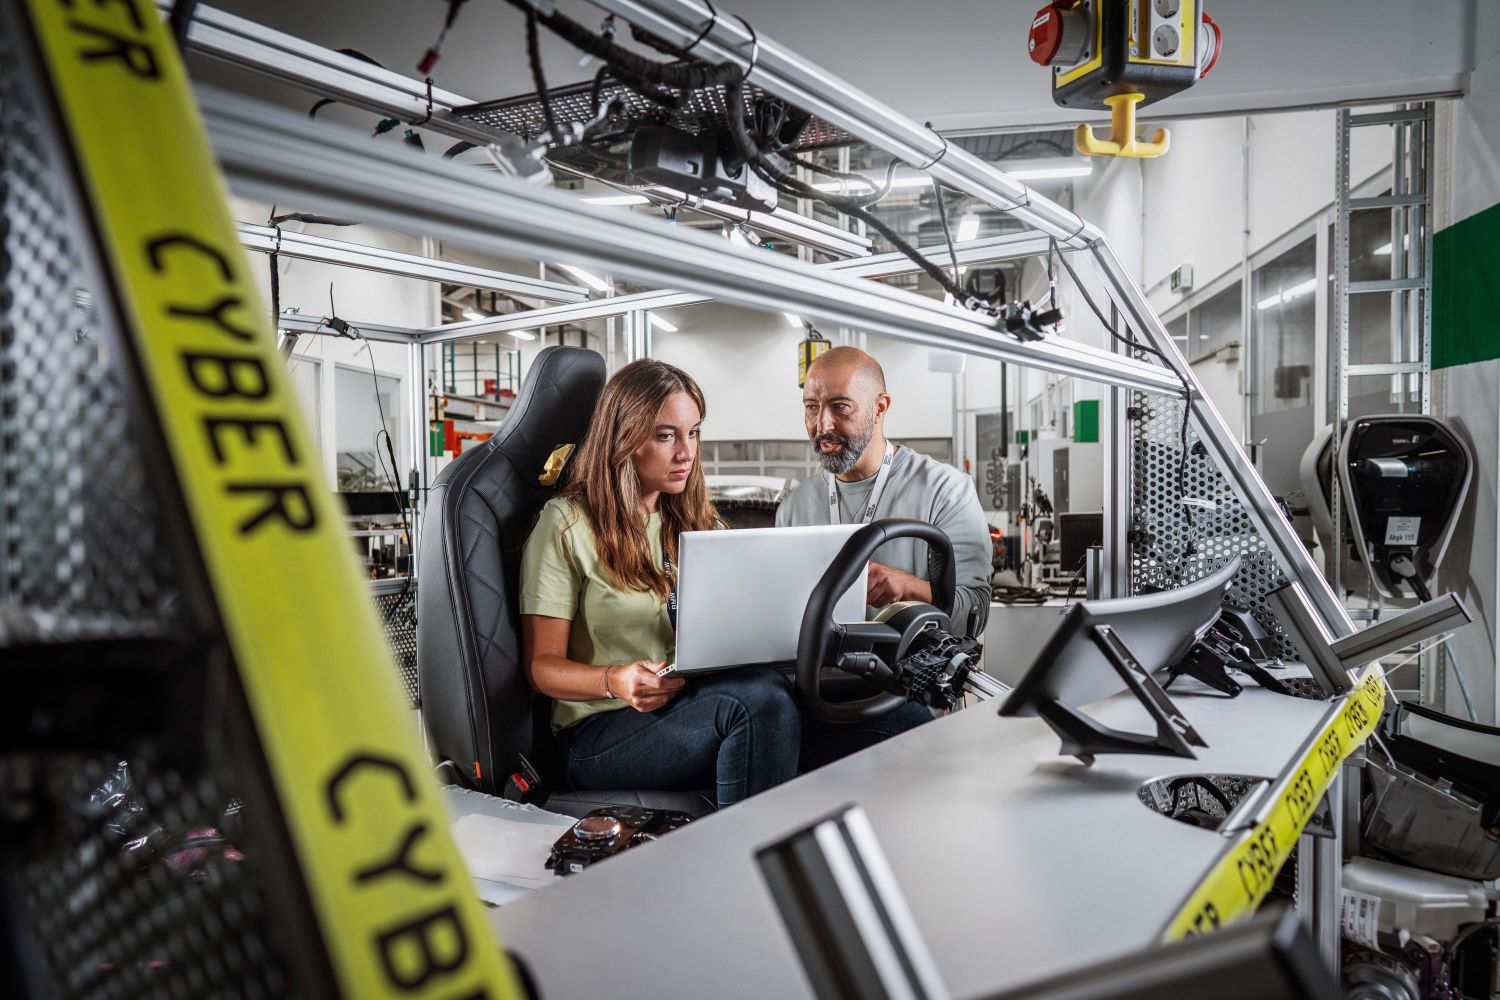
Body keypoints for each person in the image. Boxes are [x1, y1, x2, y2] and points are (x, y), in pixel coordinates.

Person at [521, 359, 935, 810]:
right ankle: (743, 869)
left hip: (700, 704)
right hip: (603, 730)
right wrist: (615, 679)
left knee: (904, 716)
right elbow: (542, 668)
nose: (686, 452)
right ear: (622, 436)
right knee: (758, 704)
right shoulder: (566, 525)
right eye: (665, 436)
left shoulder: (699, 524)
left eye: (693, 432)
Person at [777, 346, 993, 636]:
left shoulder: (946, 491)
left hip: (908, 677)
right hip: (818, 678)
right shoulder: (793, 509)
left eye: (840, 406)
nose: (822, 425)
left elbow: (974, 615)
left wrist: (910, 588)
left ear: (880, 408)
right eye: (812, 406)